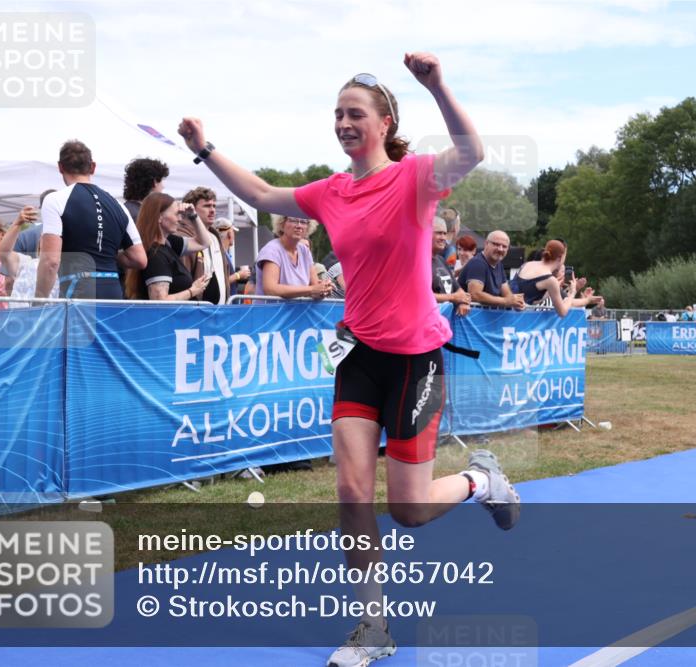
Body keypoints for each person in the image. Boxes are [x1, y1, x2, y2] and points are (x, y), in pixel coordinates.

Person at [178, 53, 519, 667]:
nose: (343, 122)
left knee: (408, 509)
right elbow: (258, 192)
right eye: (336, 113)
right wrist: (205, 149)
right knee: (352, 490)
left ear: (384, 122)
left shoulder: (416, 177)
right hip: (359, 355)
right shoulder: (330, 191)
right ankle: (373, 626)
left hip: (416, 359)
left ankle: (480, 480)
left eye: (354, 112)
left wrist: (436, 84)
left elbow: (471, 152)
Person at [36, 140, 146, 299]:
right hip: (112, 290)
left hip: (77, 289)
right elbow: (140, 259)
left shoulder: (55, 200)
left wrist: (39, 300)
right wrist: (106, 253)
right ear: (93, 167)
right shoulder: (119, 205)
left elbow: (51, 261)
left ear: (60, 167)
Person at [124, 192, 211, 301]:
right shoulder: (155, 255)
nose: (180, 219)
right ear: (159, 218)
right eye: (176, 214)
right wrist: (192, 291)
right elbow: (160, 301)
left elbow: (204, 243)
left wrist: (193, 216)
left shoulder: (168, 243)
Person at [255, 215, 332, 299]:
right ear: (282, 223)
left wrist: (324, 289)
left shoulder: (304, 250)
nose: (299, 226)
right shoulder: (271, 250)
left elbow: (315, 285)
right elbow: (270, 289)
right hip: (272, 311)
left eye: (303, 222)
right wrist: (311, 289)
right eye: (293, 220)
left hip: (298, 310)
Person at [182, 187, 229, 305]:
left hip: (220, 311)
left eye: (214, 206)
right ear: (191, 209)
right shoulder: (183, 236)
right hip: (195, 311)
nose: (212, 210)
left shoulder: (215, 236)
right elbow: (182, 280)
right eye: (207, 206)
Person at [508, 239, 580, 316]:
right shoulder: (550, 280)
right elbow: (562, 312)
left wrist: (549, 291)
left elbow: (529, 297)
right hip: (518, 319)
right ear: (560, 258)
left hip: (504, 312)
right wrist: (572, 293)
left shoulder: (528, 264)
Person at [456, 230, 525, 310]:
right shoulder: (478, 263)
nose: (500, 249)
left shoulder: (499, 265)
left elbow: (506, 293)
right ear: (486, 244)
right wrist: (505, 301)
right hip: (470, 318)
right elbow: (475, 295)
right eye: (496, 244)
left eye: (504, 246)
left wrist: (516, 301)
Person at [431, 216, 471, 315]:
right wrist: (454, 298)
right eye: (439, 233)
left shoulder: (441, 260)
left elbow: (459, 290)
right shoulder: (417, 262)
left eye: (445, 233)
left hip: (444, 323)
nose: (443, 238)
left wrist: (463, 302)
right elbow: (421, 296)